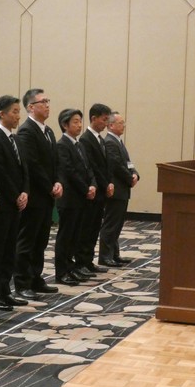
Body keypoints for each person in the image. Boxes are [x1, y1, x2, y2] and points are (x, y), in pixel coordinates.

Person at [14, 88, 63, 299]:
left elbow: (55, 161)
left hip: (47, 196)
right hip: (34, 195)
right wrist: (49, 186)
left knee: (41, 240)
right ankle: (22, 282)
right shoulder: (26, 131)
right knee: (27, 241)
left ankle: (36, 277)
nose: (47, 105)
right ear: (30, 107)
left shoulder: (49, 131)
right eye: (43, 102)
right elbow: (32, 165)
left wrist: (58, 181)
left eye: (48, 101)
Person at [0, 95, 30, 310]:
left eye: (19, 111)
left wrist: (25, 191)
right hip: (2, 205)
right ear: (1, 114)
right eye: (14, 112)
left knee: (10, 250)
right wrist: (15, 195)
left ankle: (5, 291)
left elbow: (24, 169)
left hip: (16, 204)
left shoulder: (16, 139)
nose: (18, 116)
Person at [55, 109, 97, 286]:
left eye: (80, 121)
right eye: (75, 122)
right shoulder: (62, 145)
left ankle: (71, 268)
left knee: (76, 236)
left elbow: (88, 168)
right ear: (65, 125)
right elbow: (69, 171)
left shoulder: (79, 145)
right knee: (66, 237)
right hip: (70, 198)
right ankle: (61, 271)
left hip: (82, 197)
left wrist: (93, 184)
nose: (79, 125)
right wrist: (85, 188)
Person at [77, 103, 116, 270]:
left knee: (94, 229)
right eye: (104, 119)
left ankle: (89, 261)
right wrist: (105, 184)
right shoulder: (86, 139)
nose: (106, 124)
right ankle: (82, 261)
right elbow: (92, 166)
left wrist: (110, 182)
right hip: (93, 190)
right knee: (86, 229)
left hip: (101, 191)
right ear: (94, 118)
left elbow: (107, 165)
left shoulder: (100, 139)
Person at [99, 112, 140, 265]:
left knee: (117, 224)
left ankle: (114, 254)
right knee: (111, 224)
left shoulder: (118, 141)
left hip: (123, 189)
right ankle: (105, 256)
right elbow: (116, 165)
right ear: (110, 125)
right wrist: (130, 178)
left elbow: (128, 163)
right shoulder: (110, 142)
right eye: (121, 123)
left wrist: (135, 174)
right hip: (116, 190)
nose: (124, 126)